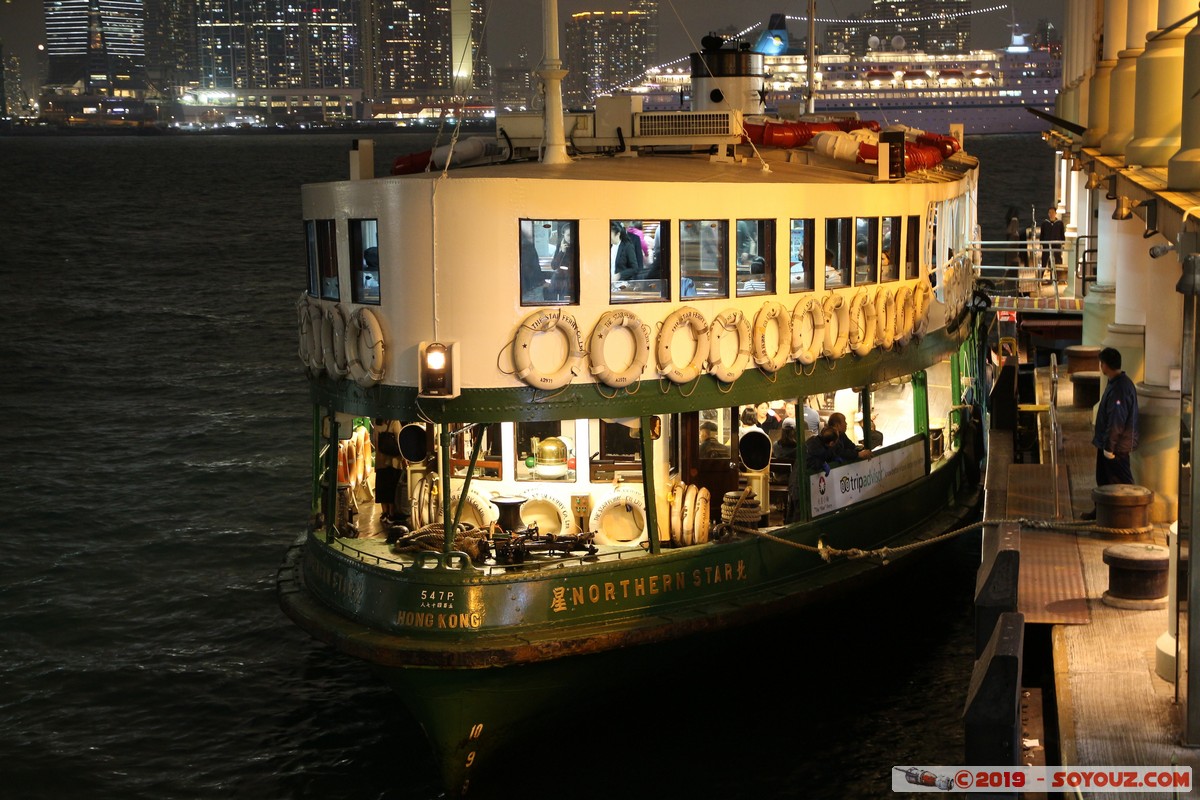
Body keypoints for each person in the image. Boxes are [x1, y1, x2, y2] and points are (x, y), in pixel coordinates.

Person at [1081, 347, 1139, 520]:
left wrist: (1109, 446)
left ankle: (1132, 514)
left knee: (1121, 480)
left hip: (1116, 447)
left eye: (1101, 363)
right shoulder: (1117, 383)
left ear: (1105, 365)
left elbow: (1116, 420)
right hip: (1109, 443)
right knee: (1104, 478)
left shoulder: (1119, 388)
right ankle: (1102, 510)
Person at [372, 419, 407, 525]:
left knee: (382, 488)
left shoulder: (377, 423)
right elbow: (400, 441)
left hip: (380, 461)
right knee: (392, 488)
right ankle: (391, 514)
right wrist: (405, 459)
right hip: (393, 461)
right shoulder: (394, 422)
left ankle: (384, 513)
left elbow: (376, 442)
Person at [1039, 207, 1066, 283]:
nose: (1051, 214)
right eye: (1050, 213)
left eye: (1053, 212)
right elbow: (1042, 234)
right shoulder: (1045, 223)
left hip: (1056, 245)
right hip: (1047, 245)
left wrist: (1062, 243)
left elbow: (1062, 234)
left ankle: (1058, 278)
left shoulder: (1059, 223)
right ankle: (1040, 279)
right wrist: (1041, 244)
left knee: (1057, 261)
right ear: (1048, 214)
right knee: (1044, 261)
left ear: (1055, 213)